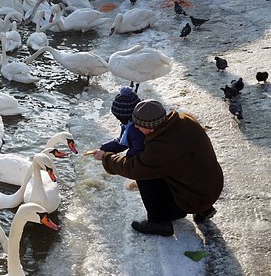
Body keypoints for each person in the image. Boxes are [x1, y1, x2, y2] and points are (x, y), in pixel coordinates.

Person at [92, 99, 223, 236]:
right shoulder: (185, 120)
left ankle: (159, 222)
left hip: (193, 199)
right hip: (211, 188)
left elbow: (131, 167)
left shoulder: (160, 146)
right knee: (182, 166)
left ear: (151, 127)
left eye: (138, 125)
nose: (136, 128)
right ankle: (204, 209)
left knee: (143, 174)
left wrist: (106, 157)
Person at [100, 87, 145, 157]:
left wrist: (124, 161)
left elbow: (136, 151)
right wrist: (104, 148)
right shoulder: (129, 123)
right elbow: (123, 142)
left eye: (119, 118)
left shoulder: (136, 130)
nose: (119, 120)